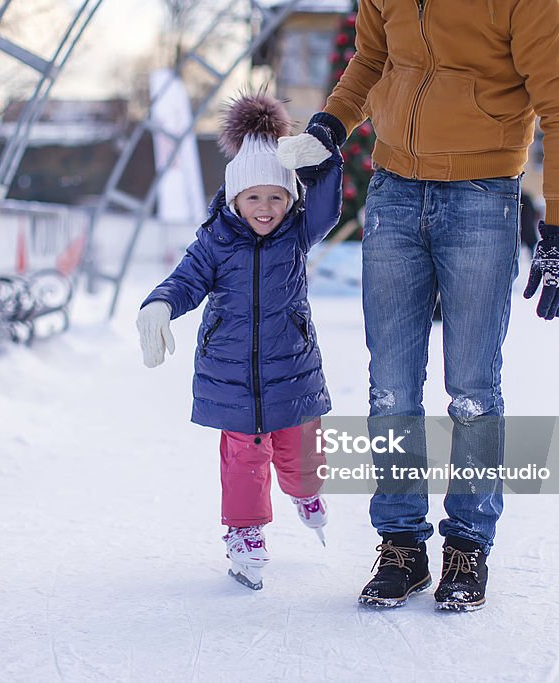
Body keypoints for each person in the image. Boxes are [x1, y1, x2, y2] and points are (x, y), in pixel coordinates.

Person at [277, 0, 559, 610]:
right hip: (393, 193)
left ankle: (468, 544)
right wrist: (332, 123)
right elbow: (371, 59)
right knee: (390, 387)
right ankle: (401, 545)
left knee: (472, 388)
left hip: (482, 195)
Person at [136, 93, 343, 590]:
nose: (265, 207)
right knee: (244, 456)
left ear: (290, 200)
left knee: (301, 460)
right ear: (234, 199)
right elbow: (185, 280)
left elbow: (328, 203)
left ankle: (305, 493)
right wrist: (160, 304)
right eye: (253, 197)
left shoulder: (297, 233)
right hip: (231, 375)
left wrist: (323, 161)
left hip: (291, 371)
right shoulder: (215, 240)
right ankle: (244, 532)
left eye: (276, 196)